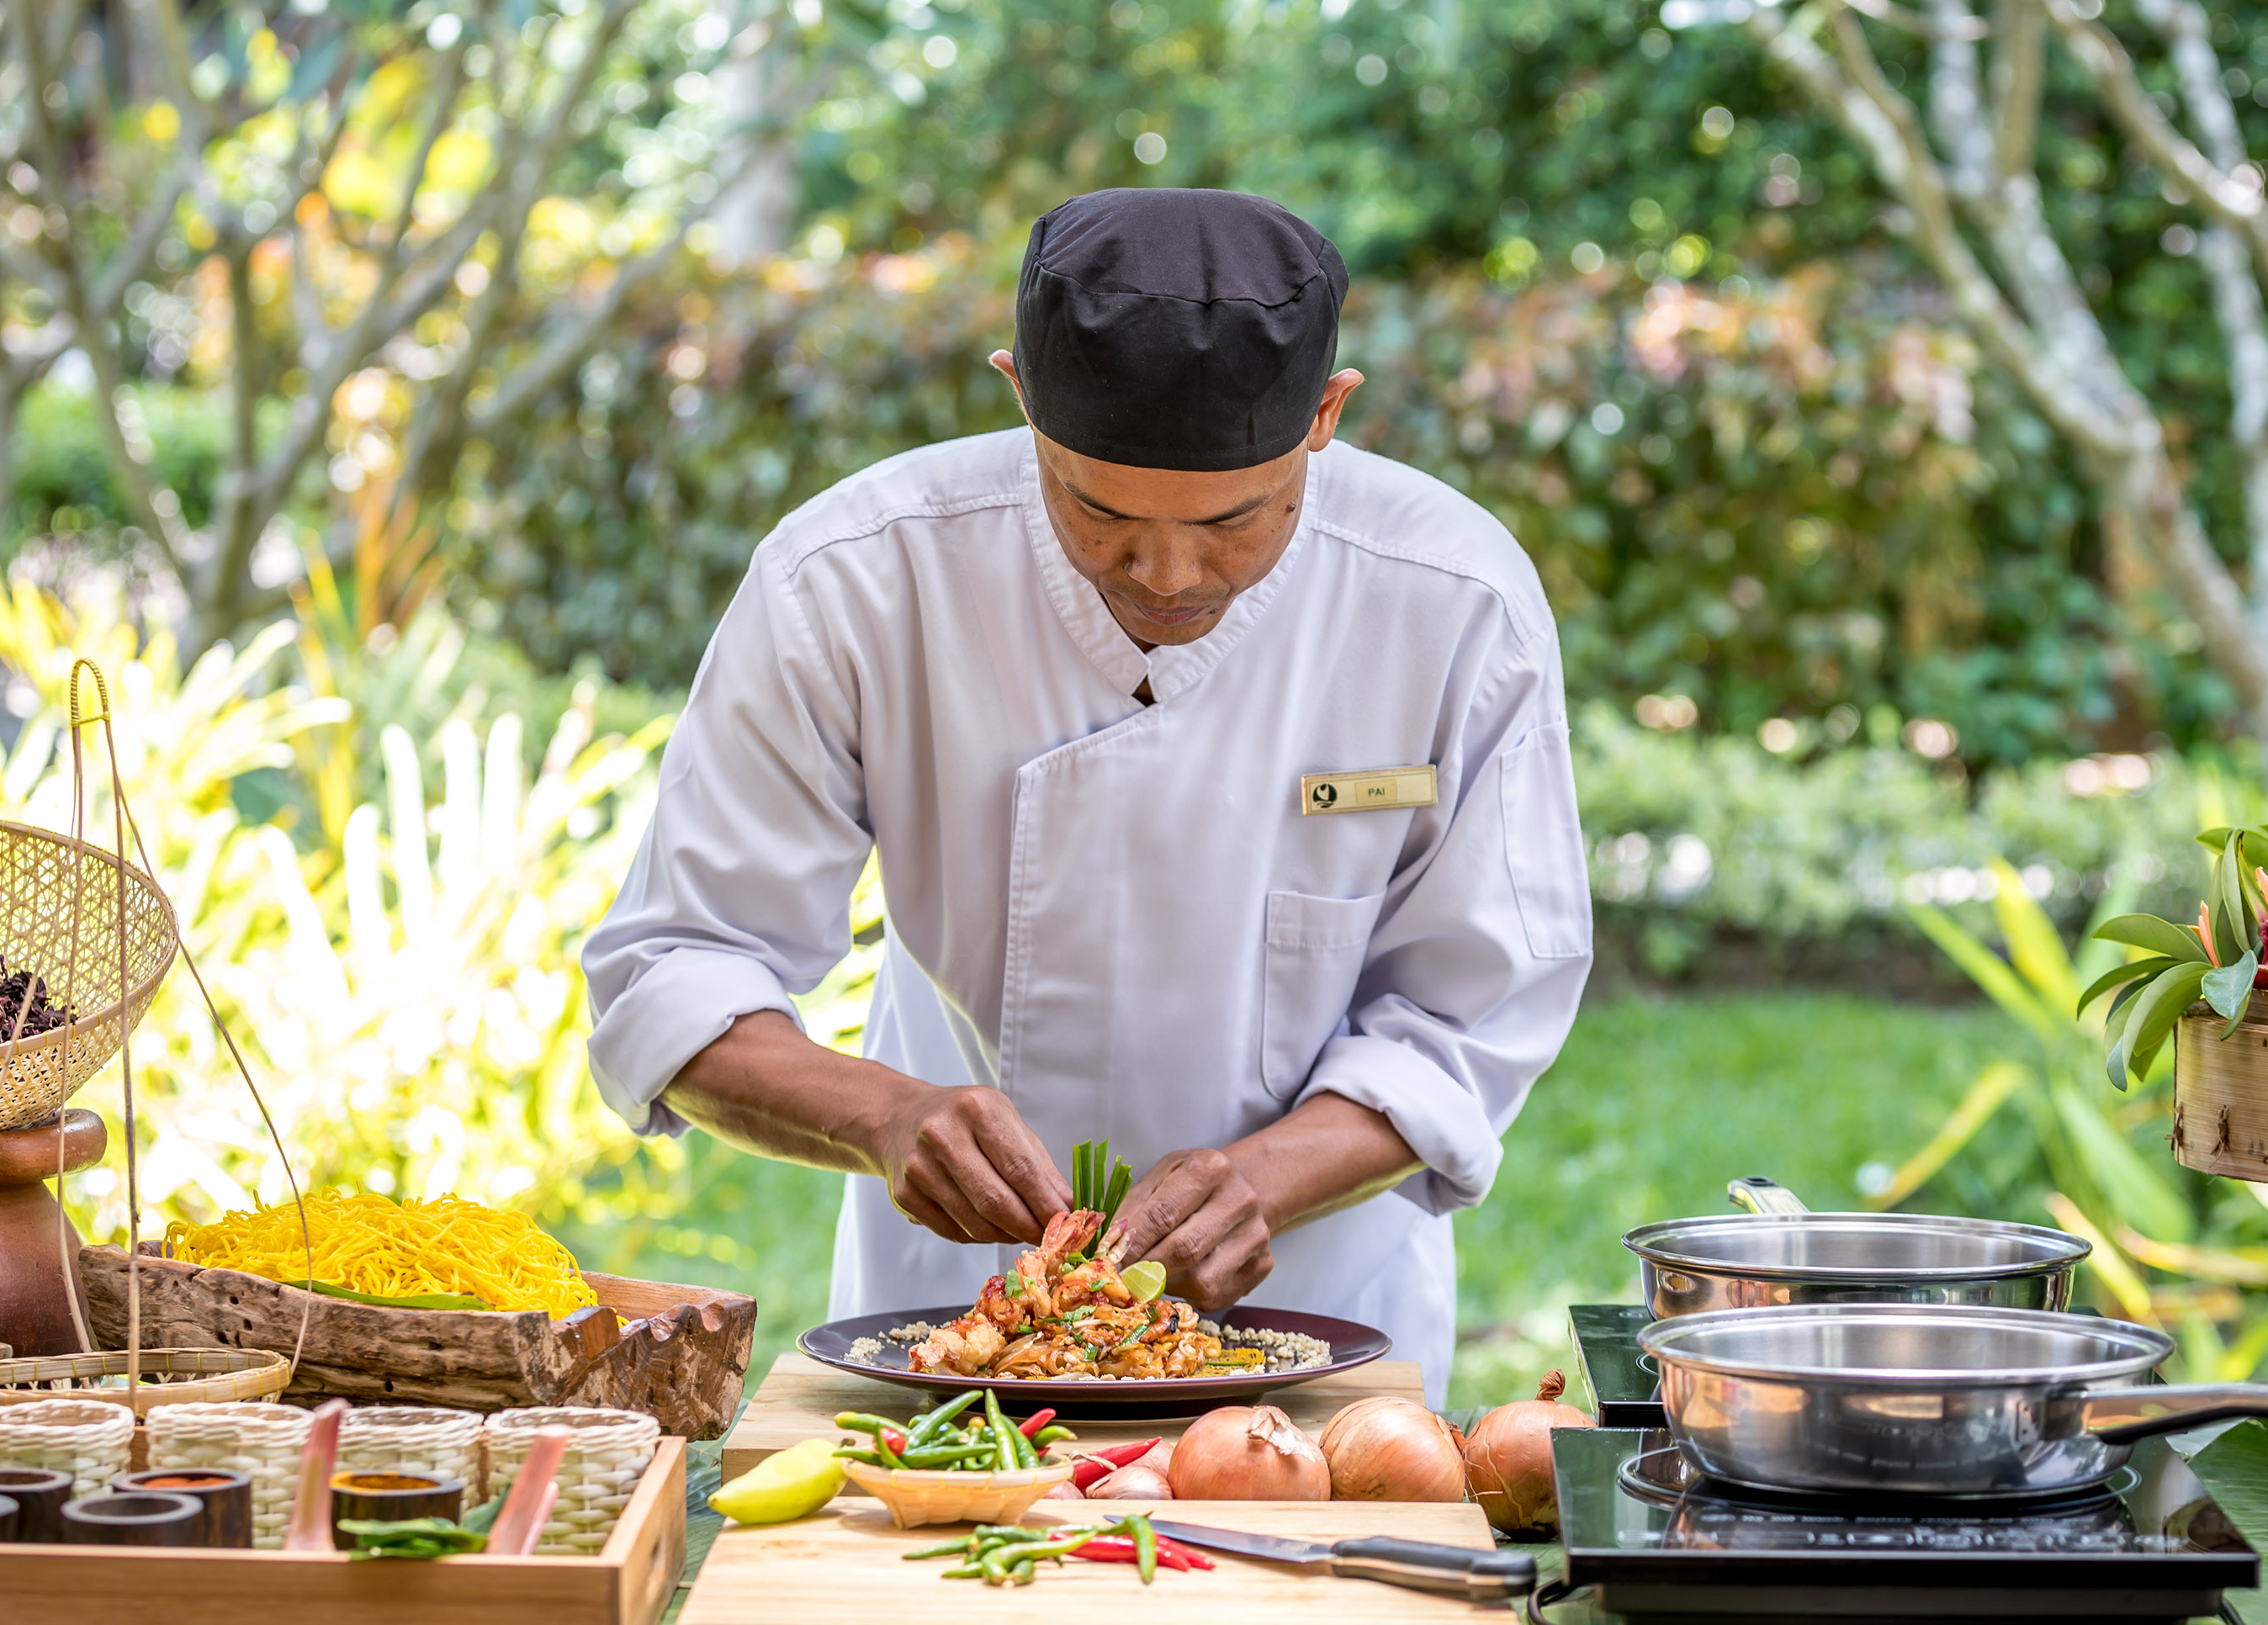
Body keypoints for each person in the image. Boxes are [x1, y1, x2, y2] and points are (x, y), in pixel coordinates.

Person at [581, 187, 1590, 1399]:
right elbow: (673, 974)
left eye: (1235, 520)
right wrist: (886, 1116)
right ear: (1017, 395)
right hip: (959, 1322)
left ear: (1327, 416)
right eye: (1097, 509)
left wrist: (1265, 1178)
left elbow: (1476, 1012)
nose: (1166, 572)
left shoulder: (1451, 596)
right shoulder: (853, 577)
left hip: (1318, 1321)